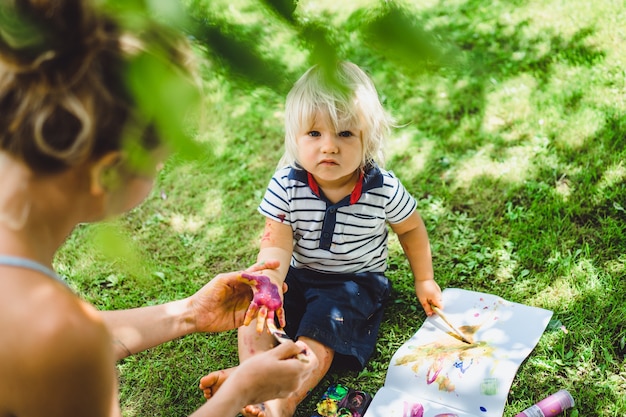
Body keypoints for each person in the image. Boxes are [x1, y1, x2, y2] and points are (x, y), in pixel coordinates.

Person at [0, 1, 317, 417]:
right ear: (109, 172)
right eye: (157, 161)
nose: (162, 168)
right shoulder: (62, 337)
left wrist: (189, 314)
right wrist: (240, 391)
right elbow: (61, 347)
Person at [200, 61, 443, 416]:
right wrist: (270, 284)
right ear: (296, 137)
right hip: (298, 276)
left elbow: (410, 229)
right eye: (314, 134)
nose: (329, 146)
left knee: (319, 336)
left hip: (355, 284)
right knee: (254, 313)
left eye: (345, 134)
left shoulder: (382, 188)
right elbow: (277, 243)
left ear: (367, 138)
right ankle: (250, 378)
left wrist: (424, 279)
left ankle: (282, 401)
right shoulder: (287, 184)